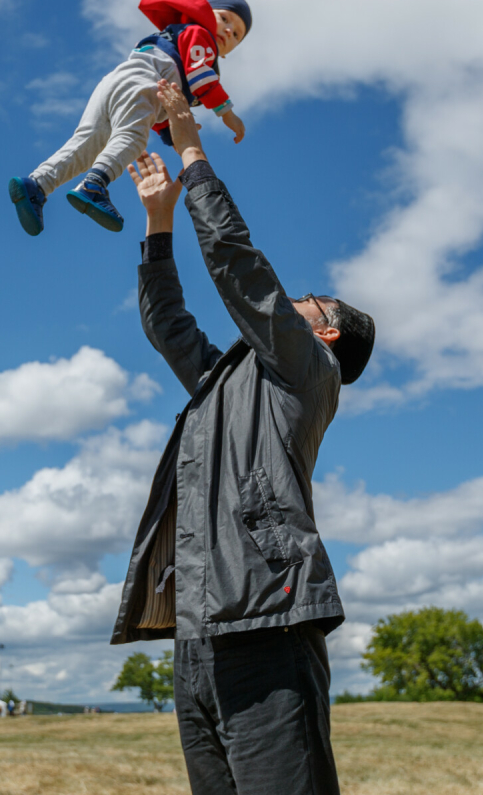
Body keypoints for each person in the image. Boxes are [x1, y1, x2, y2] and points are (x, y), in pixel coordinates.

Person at [110, 79, 375, 795]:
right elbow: (169, 325)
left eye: (304, 301)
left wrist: (191, 141)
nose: (288, 300)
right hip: (199, 631)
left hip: (267, 615)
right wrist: (157, 223)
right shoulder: (228, 379)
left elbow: (233, 259)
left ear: (324, 332)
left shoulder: (309, 370)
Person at [9, 0, 251, 236]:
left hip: (116, 81)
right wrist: (227, 113)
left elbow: (159, 103)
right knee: (133, 138)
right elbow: (201, 77)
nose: (229, 30)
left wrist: (171, 132)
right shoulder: (200, 35)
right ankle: (94, 186)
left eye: (237, 35)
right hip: (144, 81)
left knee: (88, 144)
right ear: (201, 11)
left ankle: (37, 184)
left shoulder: (175, 36)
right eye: (224, 18)